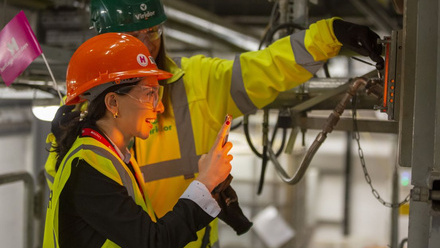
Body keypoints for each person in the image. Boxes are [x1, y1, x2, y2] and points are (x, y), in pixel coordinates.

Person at [53, 1, 384, 247]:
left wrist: (331, 35)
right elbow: (70, 200)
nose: (146, 45)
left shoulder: (198, 82)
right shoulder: (79, 129)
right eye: (132, 35)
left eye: (152, 31)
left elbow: (267, 68)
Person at [43, 32, 234, 248]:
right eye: (149, 94)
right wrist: (205, 182)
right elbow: (153, 242)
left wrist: (208, 185)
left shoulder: (115, 157)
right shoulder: (88, 167)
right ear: (113, 102)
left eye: (157, 94)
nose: (159, 106)